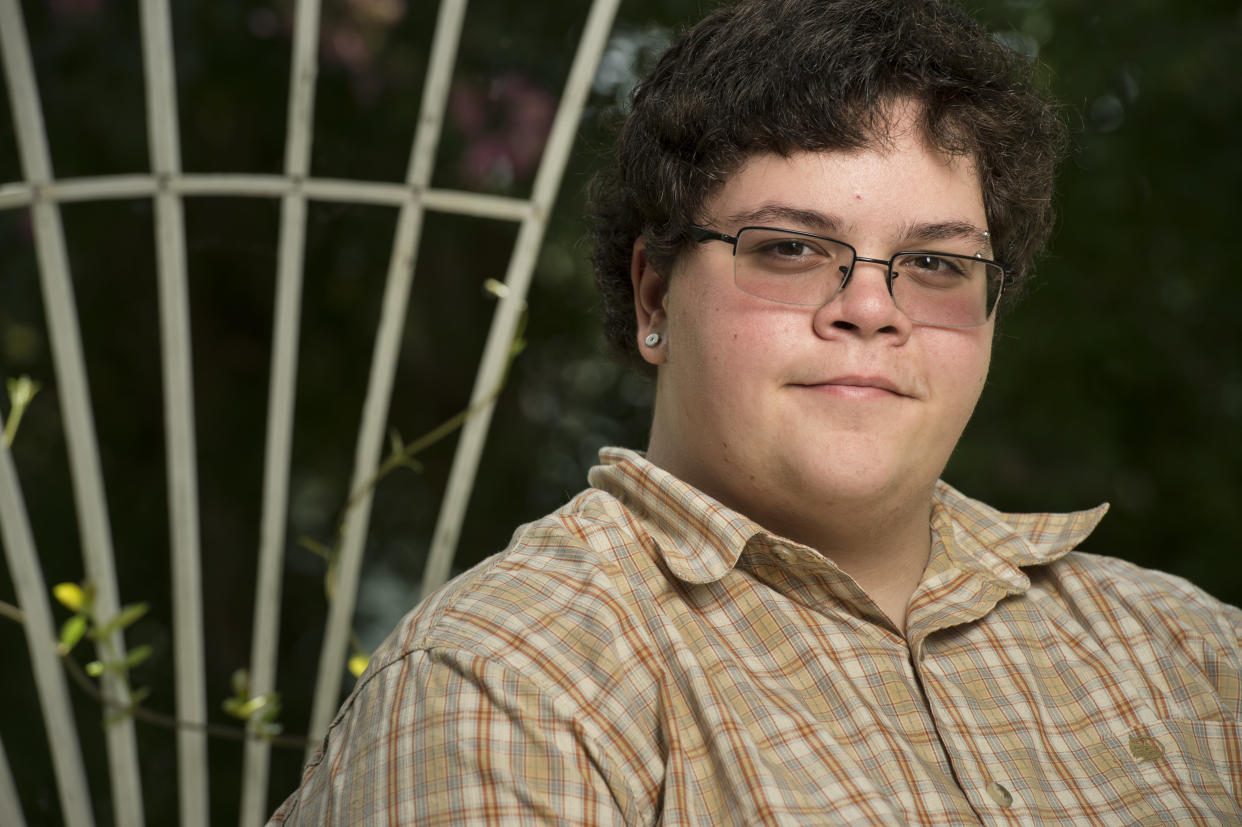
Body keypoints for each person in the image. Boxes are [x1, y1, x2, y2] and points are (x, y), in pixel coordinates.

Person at [270, 0, 1242, 822]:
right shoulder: (510, 684)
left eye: (937, 264)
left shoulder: (1190, 654)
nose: (871, 306)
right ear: (654, 297)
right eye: (789, 248)